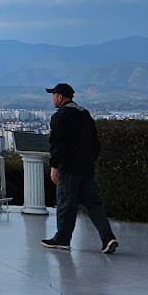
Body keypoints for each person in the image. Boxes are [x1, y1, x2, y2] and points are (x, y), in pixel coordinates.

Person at [40, 83, 118, 254]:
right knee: (94, 205)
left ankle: (62, 239)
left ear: (60, 97)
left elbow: (57, 145)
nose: (52, 98)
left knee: (66, 203)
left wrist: (54, 167)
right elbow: (95, 144)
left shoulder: (59, 117)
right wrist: (89, 161)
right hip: (86, 169)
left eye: (54, 95)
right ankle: (108, 238)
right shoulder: (85, 115)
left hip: (68, 169)